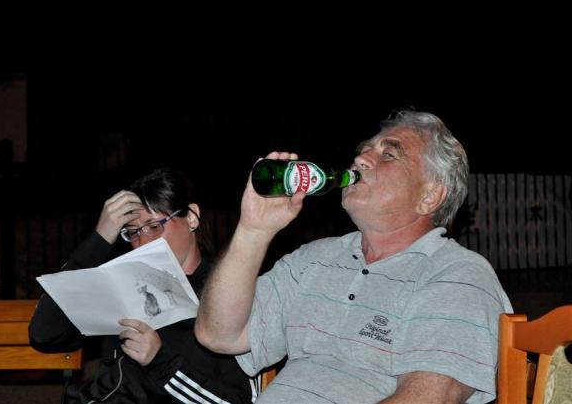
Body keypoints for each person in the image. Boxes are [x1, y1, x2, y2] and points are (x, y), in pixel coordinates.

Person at [195, 110, 513, 404]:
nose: (360, 158)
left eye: (389, 154)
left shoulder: (457, 275)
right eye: (364, 149)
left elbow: (428, 398)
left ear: (429, 196)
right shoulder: (313, 260)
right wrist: (253, 230)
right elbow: (218, 335)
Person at [30, 168, 256, 404]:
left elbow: (237, 399)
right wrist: (100, 239)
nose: (144, 242)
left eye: (155, 226)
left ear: (191, 217)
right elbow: (45, 332)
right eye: (133, 233)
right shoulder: (121, 284)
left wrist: (159, 361)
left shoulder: (228, 295)